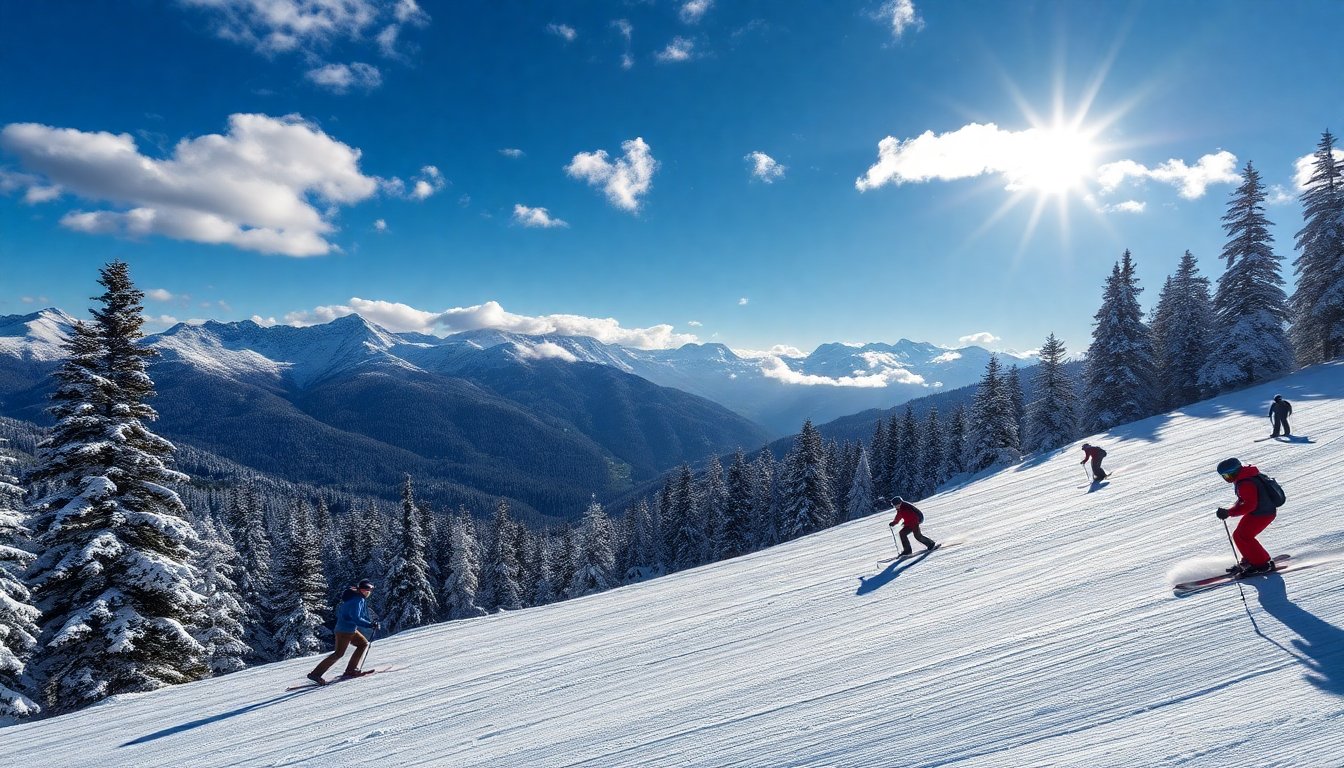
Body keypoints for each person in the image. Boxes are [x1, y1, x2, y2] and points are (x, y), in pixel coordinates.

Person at [308, 579, 380, 685]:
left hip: (348, 630)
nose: (367, 593)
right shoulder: (357, 600)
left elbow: (361, 616)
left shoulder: (358, 599)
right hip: (344, 631)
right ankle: (315, 674)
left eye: (369, 591)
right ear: (360, 590)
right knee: (339, 654)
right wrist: (369, 625)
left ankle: (351, 670)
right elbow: (357, 618)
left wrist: (371, 622)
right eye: (365, 590)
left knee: (363, 644)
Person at [1214, 458, 1278, 575]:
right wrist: (1229, 510)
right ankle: (1252, 559)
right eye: (1225, 477)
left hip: (1262, 514)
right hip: (1260, 511)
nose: (1229, 479)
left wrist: (1229, 513)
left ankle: (1262, 564)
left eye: (1230, 475)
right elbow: (1243, 501)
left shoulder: (1245, 483)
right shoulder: (1244, 477)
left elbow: (1249, 506)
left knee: (1244, 536)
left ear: (1237, 471)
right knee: (1239, 535)